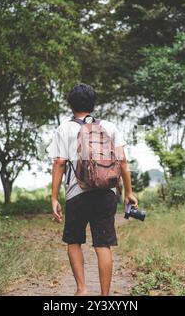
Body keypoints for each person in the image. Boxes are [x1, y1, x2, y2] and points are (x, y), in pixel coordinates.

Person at [49, 83, 138, 296]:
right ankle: (104, 297)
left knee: (73, 241)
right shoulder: (109, 126)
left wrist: (54, 197)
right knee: (103, 244)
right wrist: (128, 192)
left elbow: (60, 163)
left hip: (76, 194)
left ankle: (81, 289)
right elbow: (123, 161)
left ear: (70, 104)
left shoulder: (64, 129)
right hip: (106, 193)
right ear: (93, 104)